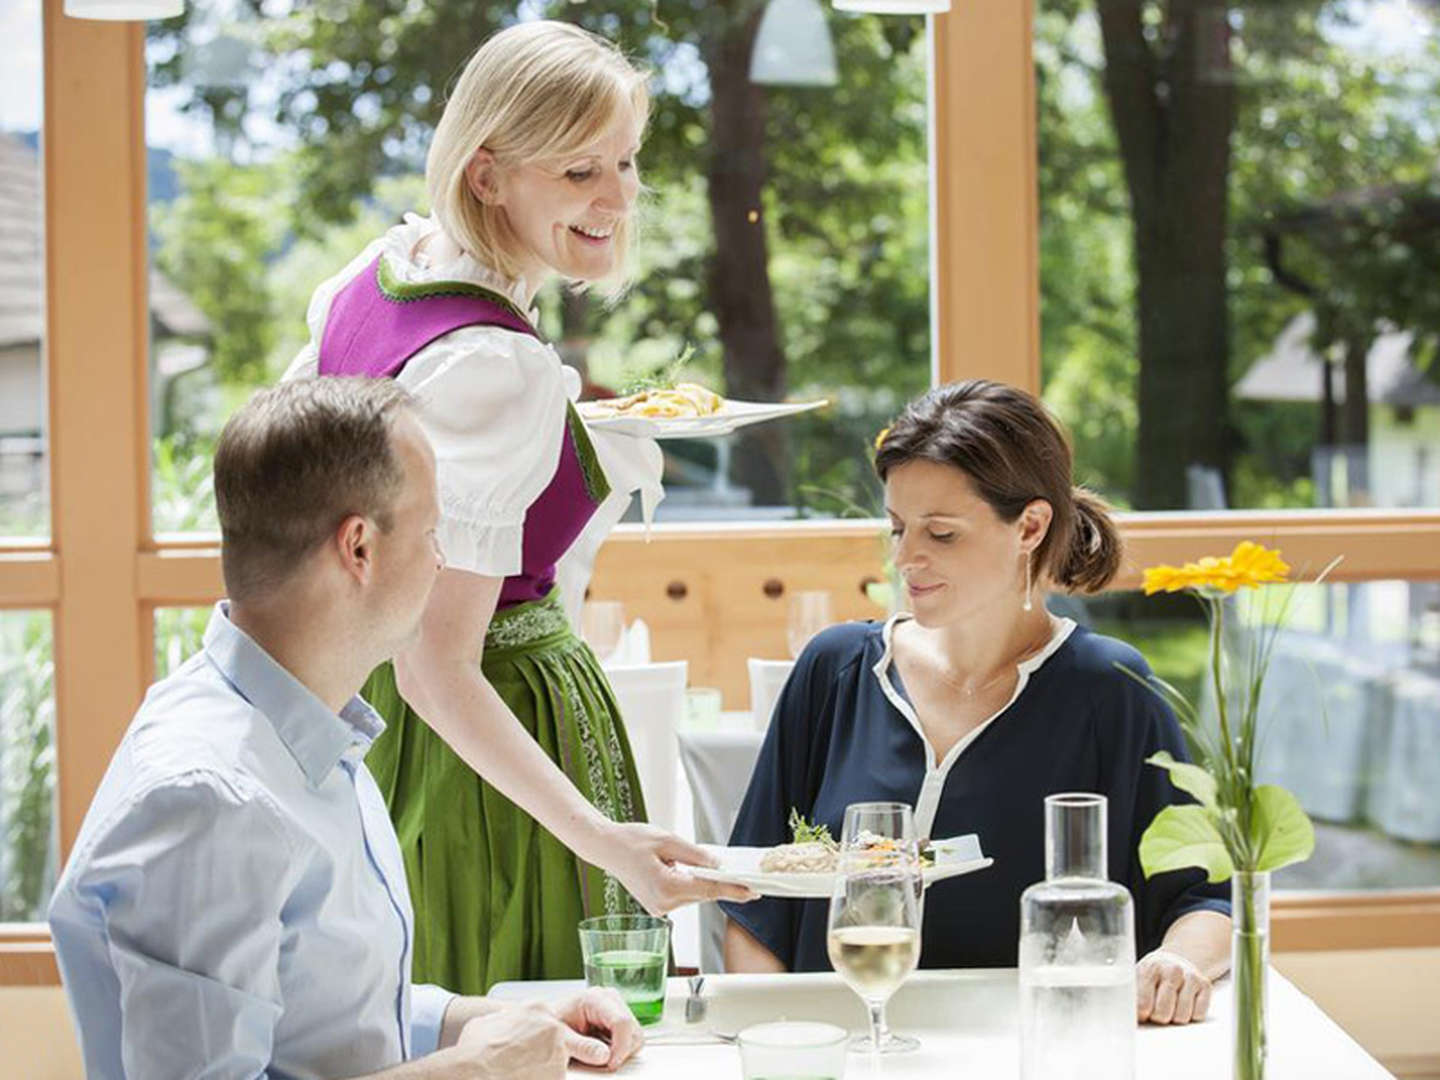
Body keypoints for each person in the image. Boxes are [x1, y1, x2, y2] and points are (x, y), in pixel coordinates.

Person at [282, 19, 750, 995]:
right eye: (580, 172)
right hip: (491, 752)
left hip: (362, 720)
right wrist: (606, 842)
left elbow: (305, 487)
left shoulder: (374, 275)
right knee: (518, 1017)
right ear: (488, 175)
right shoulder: (497, 366)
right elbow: (437, 667)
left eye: (625, 161)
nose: (618, 198)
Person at [48, 378, 645, 1079]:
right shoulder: (211, 799)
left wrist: (479, 1022)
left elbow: (319, 1017)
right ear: (358, 548)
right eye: (431, 532)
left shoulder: (308, 729)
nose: (441, 560)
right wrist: (474, 1071)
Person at [721, 380, 1232, 1026]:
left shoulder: (1111, 692)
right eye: (898, 527)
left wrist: (1178, 964)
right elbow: (751, 906)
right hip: (838, 1052)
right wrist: (787, 1040)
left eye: (941, 533)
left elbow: (1204, 900)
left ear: (1031, 526)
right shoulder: (837, 670)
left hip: (1025, 1053)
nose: (906, 558)